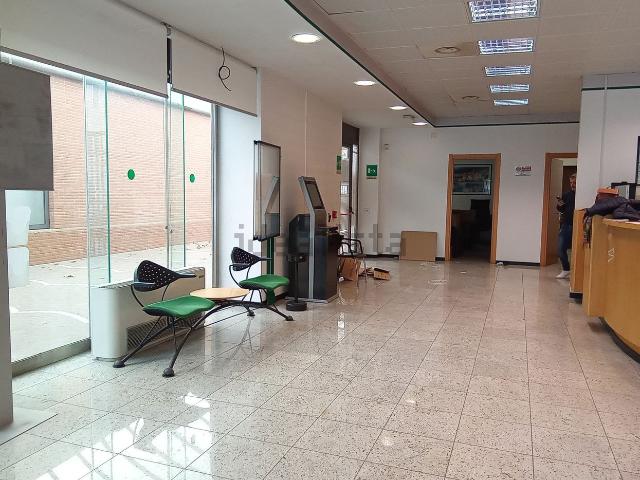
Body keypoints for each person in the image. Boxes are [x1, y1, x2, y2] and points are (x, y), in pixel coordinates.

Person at [556, 173, 576, 279]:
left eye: (575, 182)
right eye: (571, 182)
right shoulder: (566, 194)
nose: (572, 184)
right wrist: (560, 205)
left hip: (578, 225)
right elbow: (561, 209)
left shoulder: (582, 195)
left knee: (577, 250)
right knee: (560, 248)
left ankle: (577, 273)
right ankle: (566, 269)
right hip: (566, 224)